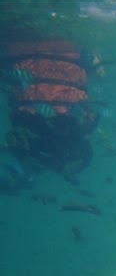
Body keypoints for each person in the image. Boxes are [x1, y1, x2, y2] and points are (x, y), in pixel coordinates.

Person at [3, 36, 101, 181]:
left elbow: (97, 72)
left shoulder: (80, 123)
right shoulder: (28, 129)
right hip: (17, 47)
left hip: (68, 46)